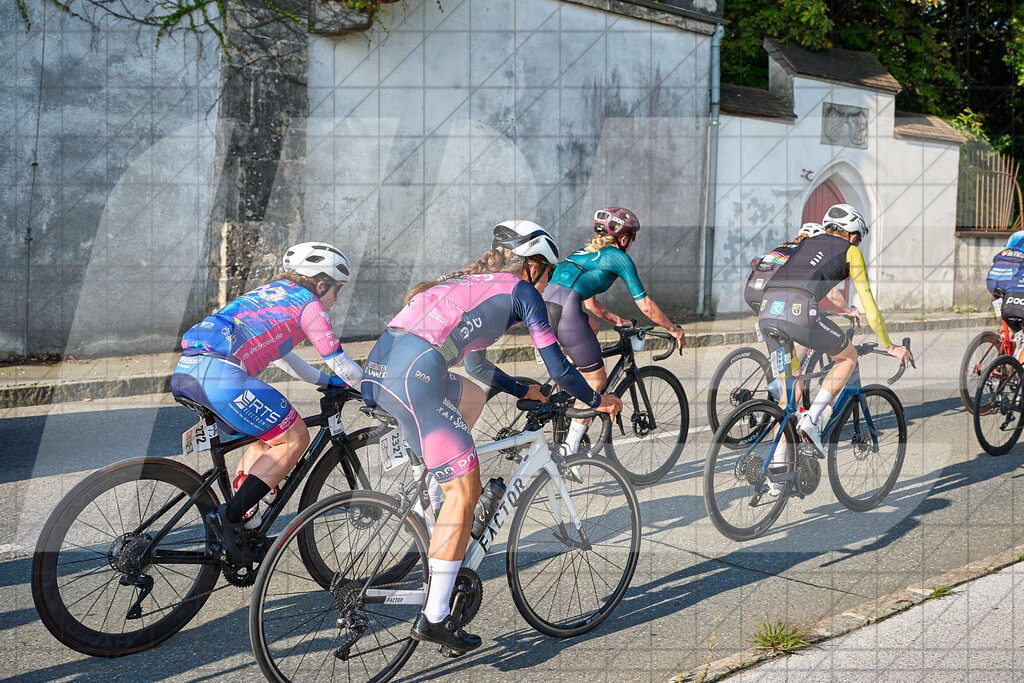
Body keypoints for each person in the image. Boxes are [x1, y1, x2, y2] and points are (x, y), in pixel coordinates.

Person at [360, 221, 622, 654]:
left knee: (470, 398)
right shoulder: (523, 293)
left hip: (380, 375)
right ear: (534, 266)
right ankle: (436, 616)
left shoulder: (467, 283)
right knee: (468, 489)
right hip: (415, 380)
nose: (548, 281)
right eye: (549, 272)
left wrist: (523, 389)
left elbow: (478, 369)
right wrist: (597, 399)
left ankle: (435, 501)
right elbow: (558, 367)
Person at [171, 242, 363, 561]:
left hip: (187, 370)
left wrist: (328, 382)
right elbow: (340, 362)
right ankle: (231, 517)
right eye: (337, 289)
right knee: (295, 436)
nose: (337, 299)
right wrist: (377, 393)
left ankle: (246, 520)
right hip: (221, 375)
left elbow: (285, 359)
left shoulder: (271, 294)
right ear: (320, 284)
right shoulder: (310, 305)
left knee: (267, 438)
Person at [756, 204, 913, 480]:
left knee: (789, 391)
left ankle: (777, 472)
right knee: (848, 357)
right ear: (854, 235)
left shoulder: (806, 241)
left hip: (767, 311)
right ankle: (812, 422)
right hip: (799, 312)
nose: (858, 243)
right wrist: (889, 345)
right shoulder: (850, 251)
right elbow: (869, 305)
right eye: (859, 238)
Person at [542, 207, 686, 456]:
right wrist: (672, 329)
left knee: (593, 326)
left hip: (546, 306)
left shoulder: (587, 251)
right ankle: (569, 450)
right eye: (632, 237)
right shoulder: (618, 257)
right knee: (597, 380)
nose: (632, 243)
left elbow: (591, 304)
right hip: (566, 310)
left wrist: (618, 320)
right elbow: (645, 305)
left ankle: (570, 382)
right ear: (624, 237)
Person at [746, 223, 862, 402]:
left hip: (757, 295)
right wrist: (847, 310)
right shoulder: (805, 254)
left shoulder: (786, 247)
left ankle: (784, 377)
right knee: (800, 332)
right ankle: (784, 381)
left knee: (785, 331)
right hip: (781, 301)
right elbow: (831, 293)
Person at [986, 229, 1024, 360]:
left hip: (993, 281)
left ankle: (1005, 336)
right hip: (1013, 282)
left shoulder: (1016, 235)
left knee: (1006, 309)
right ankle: (1016, 360)